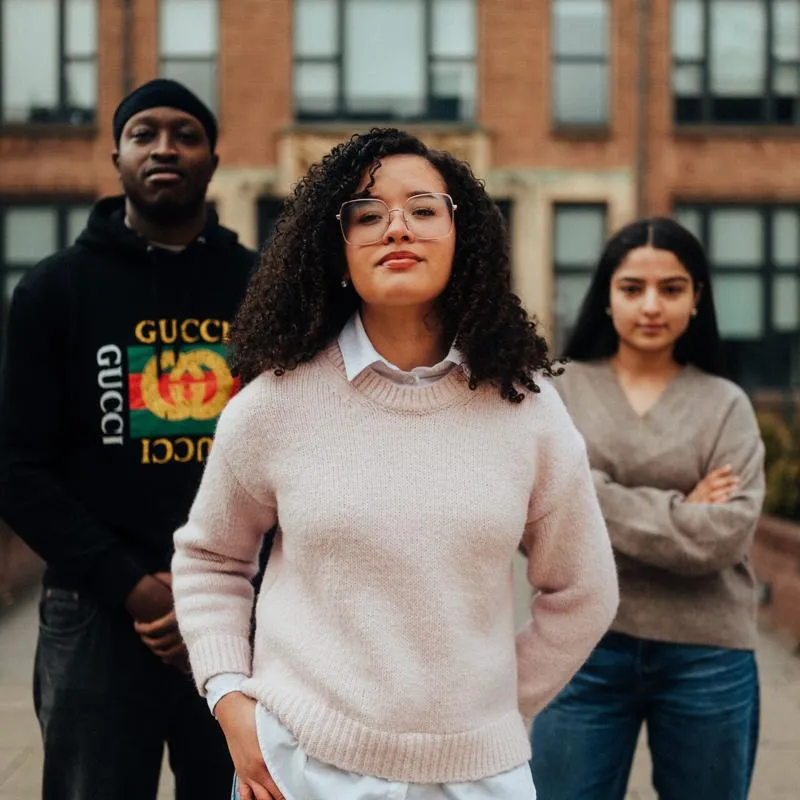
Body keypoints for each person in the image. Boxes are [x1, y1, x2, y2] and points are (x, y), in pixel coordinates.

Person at [170, 127, 619, 800]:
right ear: (336, 246)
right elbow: (211, 559)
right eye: (368, 214)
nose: (397, 228)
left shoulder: (526, 408)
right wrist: (230, 698)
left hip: (477, 778)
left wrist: (496, 709)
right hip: (301, 766)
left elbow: (584, 589)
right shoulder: (274, 405)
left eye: (422, 209)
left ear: (461, 235)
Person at [0, 79, 256, 799]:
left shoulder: (259, 287)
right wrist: (135, 589)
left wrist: (214, 591)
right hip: (95, 612)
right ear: (116, 156)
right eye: (145, 133)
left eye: (186, 133)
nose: (165, 148)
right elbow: (19, 470)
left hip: (239, 608)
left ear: (212, 157)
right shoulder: (55, 291)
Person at [530, 217, 765, 800]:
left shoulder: (726, 404)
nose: (651, 305)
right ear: (606, 298)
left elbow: (724, 538)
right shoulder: (557, 389)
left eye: (672, 288)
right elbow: (533, 512)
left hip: (708, 651)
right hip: (581, 646)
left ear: (697, 300)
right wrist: (681, 507)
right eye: (632, 288)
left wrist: (590, 492)